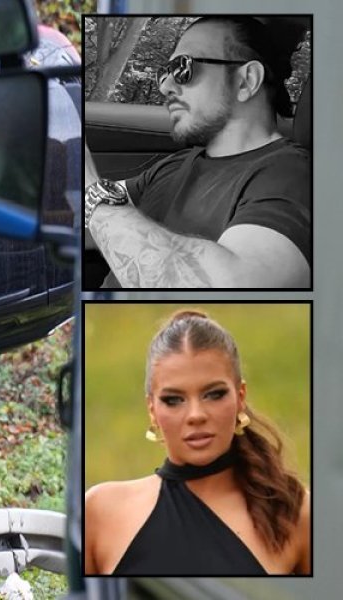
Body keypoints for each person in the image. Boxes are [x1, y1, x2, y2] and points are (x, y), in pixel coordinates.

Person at [84, 17, 310, 288]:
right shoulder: (177, 164)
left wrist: (93, 193)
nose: (165, 86)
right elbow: (93, 225)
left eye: (183, 68)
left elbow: (232, 291)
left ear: (245, 82)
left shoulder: (290, 176)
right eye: (163, 73)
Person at [84, 310, 310, 575]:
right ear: (152, 409)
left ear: (240, 397)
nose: (196, 415)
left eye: (214, 394)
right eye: (173, 400)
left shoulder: (292, 511)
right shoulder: (100, 511)